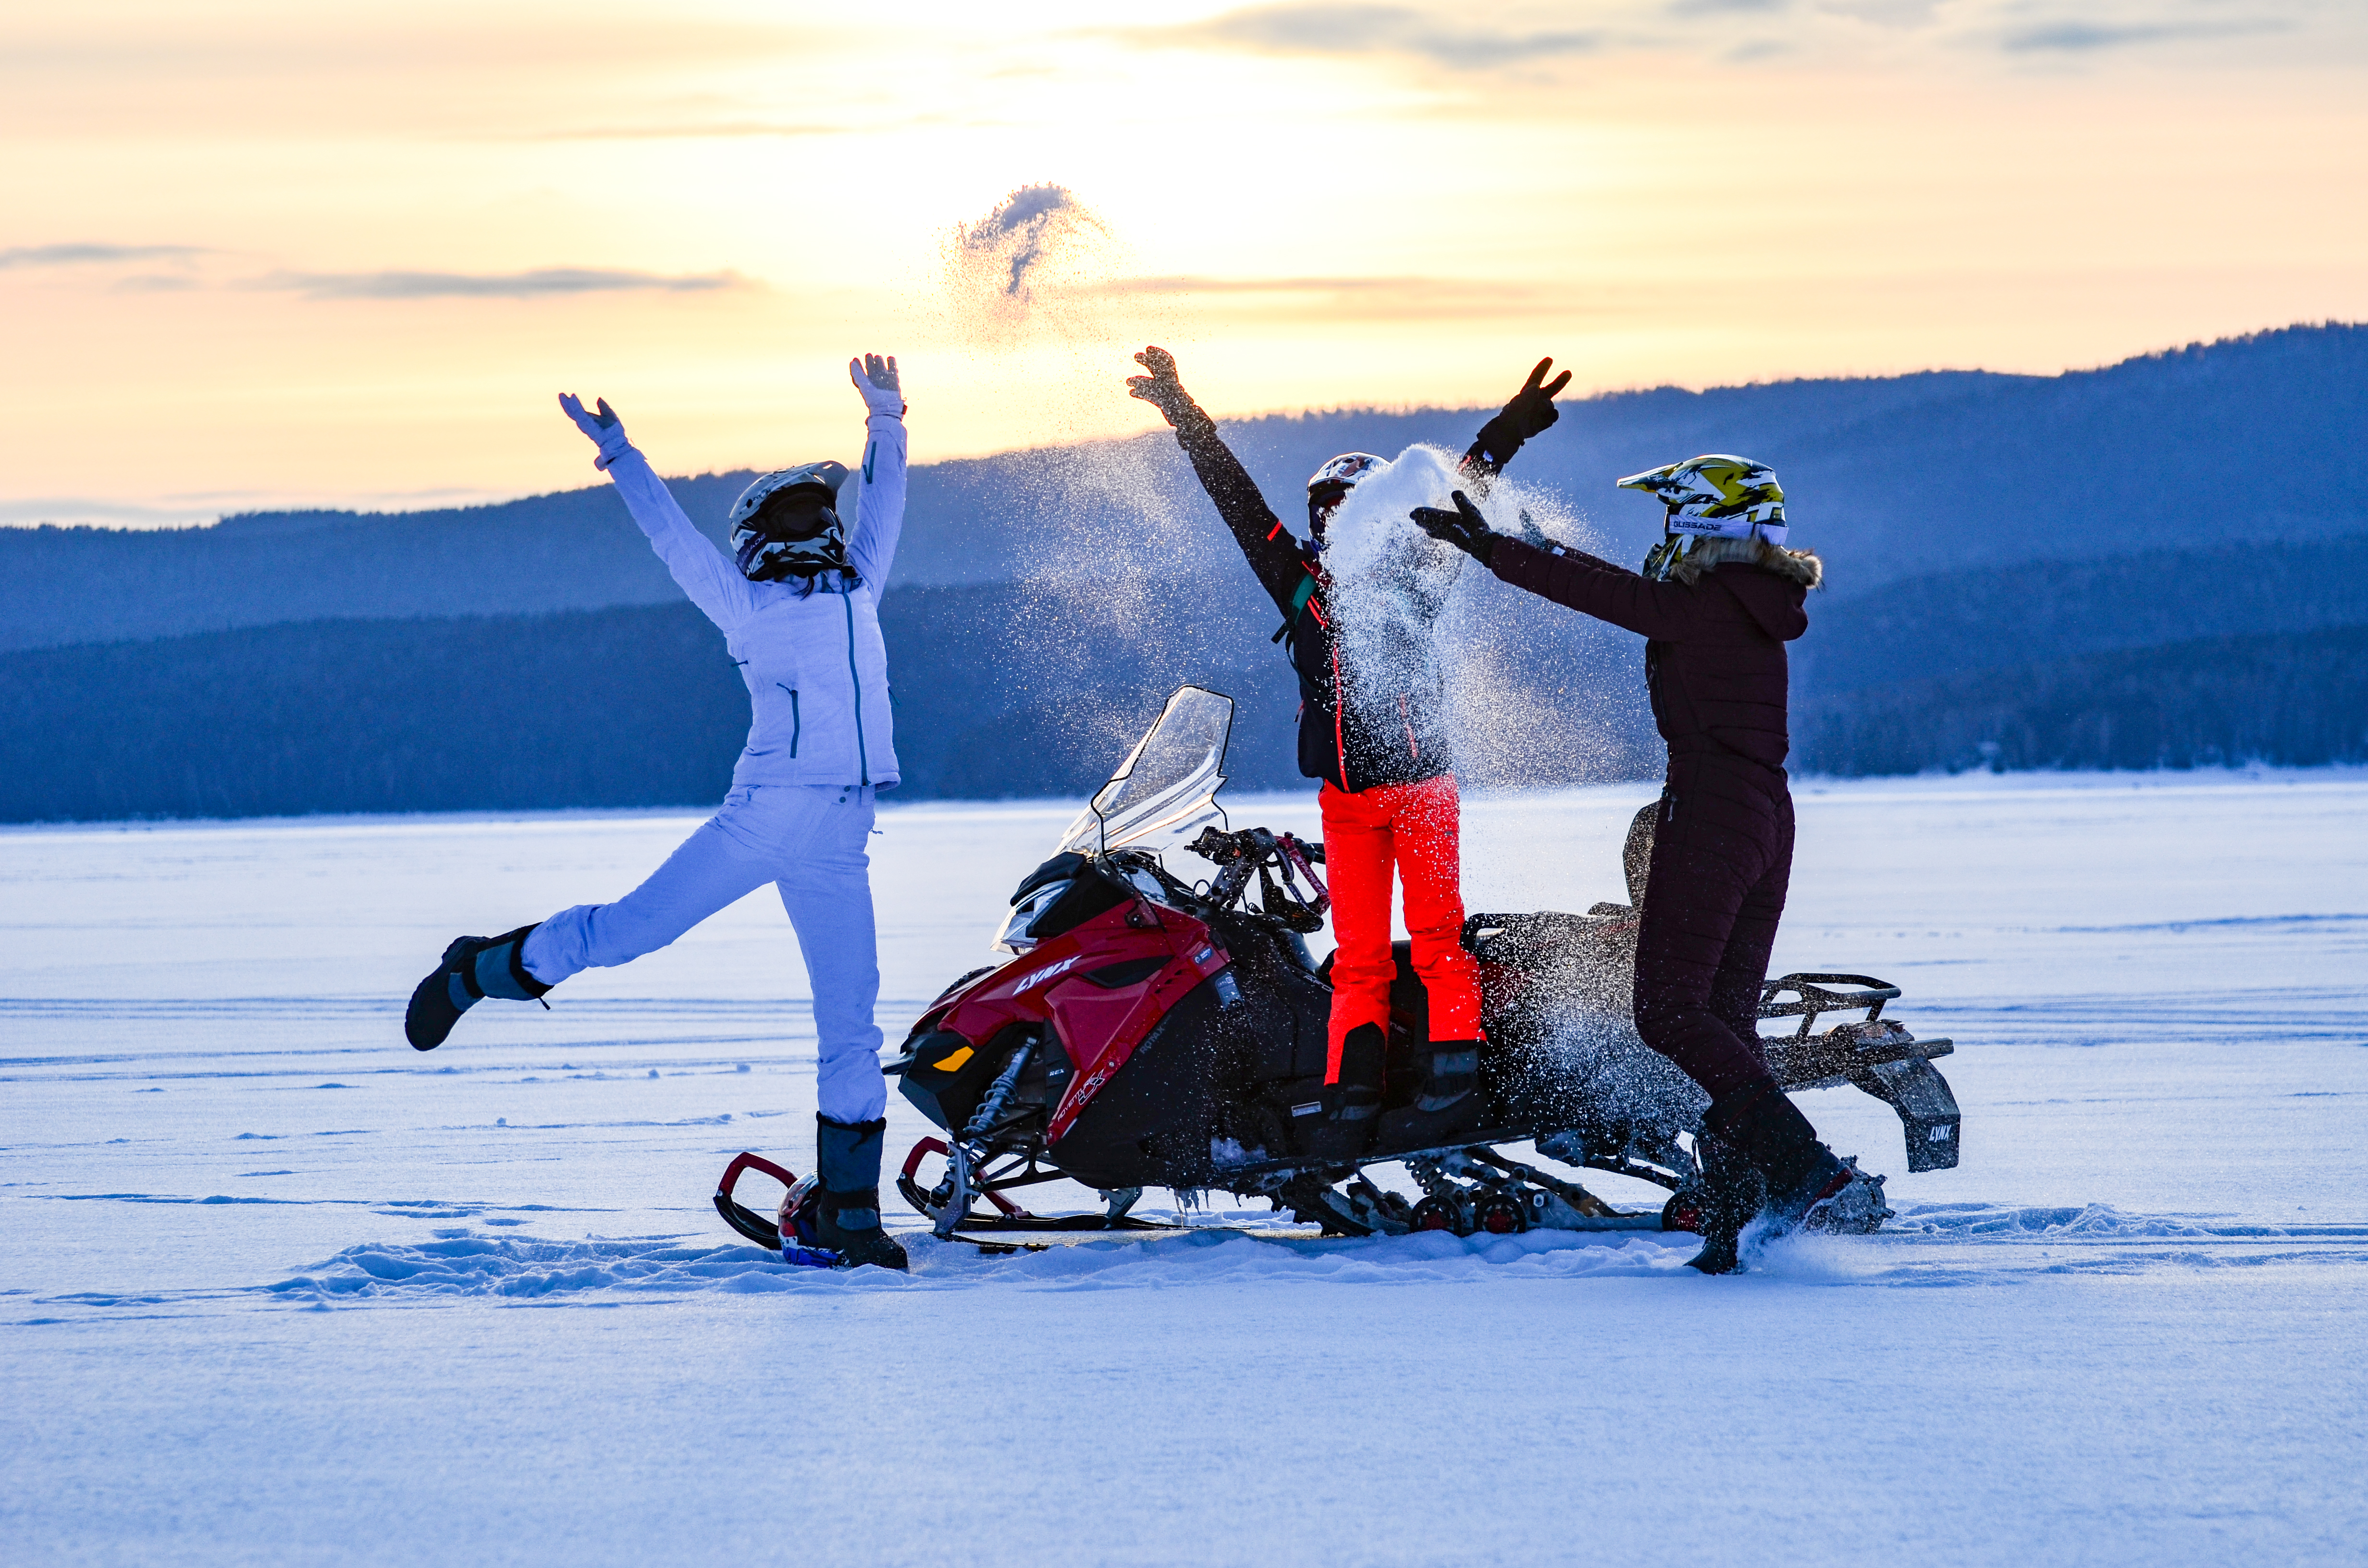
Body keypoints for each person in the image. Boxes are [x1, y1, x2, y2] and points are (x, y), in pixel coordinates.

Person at [399, 355, 913, 1270]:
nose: (820, 527)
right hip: (761, 819)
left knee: (853, 1025)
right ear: (764, 538)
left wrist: (885, 419)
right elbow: (674, 540)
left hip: (841, 838)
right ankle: (478, 971)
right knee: (629, 933)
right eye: (802, 517)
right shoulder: (746, 605)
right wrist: (622, 458)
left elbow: (885, 505)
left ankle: (852, 1215)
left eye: (819, 515)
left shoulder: (859, 587)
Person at [1410, 456, 1853, 1271]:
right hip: (1765, 816)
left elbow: (1611, 600)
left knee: (1667, 1011)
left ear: (1702, 523)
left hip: (1712, 811)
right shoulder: (1746, 597)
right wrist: (1529, 542)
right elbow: (1631, 594)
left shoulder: (1708, 602)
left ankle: (1804, 1168)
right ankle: (1735, 1227)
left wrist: (1494, 552)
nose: (1661, 538)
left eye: (1669, 520)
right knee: (1724, 1019)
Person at [1126, 346, 1567, 1153]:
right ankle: (1348, 1097)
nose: (1332, 520)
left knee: (1438, 940)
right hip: (1347, 804)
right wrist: (1187, 419)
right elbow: (1237, 502)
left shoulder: (1420, 567)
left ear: (1376, 514)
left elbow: (1461, 483)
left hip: (1422, 791)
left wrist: (1510, 429)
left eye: (1346, 506)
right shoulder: (1299, 584)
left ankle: (1454, 1080)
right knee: (1357, 955)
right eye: (1323, 508)